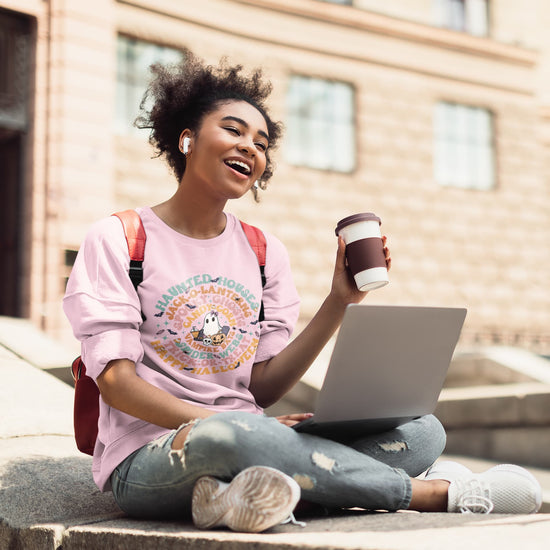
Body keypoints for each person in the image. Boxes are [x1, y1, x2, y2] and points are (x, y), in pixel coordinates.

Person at [63, 51, 542, 533]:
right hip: (157, 454)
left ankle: (234, 500)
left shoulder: (263, 251)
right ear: (186, 138)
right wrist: (229, 424)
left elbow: (262, 387)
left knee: (421, 431)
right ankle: (432, 493)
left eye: (261, 142)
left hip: (255, 437)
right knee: (232, 436)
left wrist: (339, 302)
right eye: (233, 130)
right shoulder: (120, 237)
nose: (250, 147)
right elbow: (117, 383)